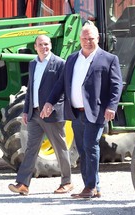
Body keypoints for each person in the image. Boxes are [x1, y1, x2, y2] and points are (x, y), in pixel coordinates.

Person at [41, 23, 123, 198]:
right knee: (82, 149)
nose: (87, 41)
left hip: (96, 111)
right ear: (79, 39)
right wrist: (49, 102)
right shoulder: (71, 59)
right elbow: (61, 84)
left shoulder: (108, 59)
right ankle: (95, 187)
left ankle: (90, 187)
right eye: (84, 38)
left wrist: (111, 106)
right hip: (76, 112)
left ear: (98, 39)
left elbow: (116, 86)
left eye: (91, 38)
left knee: (90, 146)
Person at [8, 35, 73, 196]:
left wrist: (52, 107)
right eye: (40, 45)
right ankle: (23, 184)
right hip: (34, 114)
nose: (44, 47)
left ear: (50, 45)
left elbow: (64, 90)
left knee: (60, 148)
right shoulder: (33, 64)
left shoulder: (59, 63)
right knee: (31, 148)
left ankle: (67, 182)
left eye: (46, 44)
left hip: (51, 114)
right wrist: (26, 110)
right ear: (35, 47)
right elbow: (31, 89)